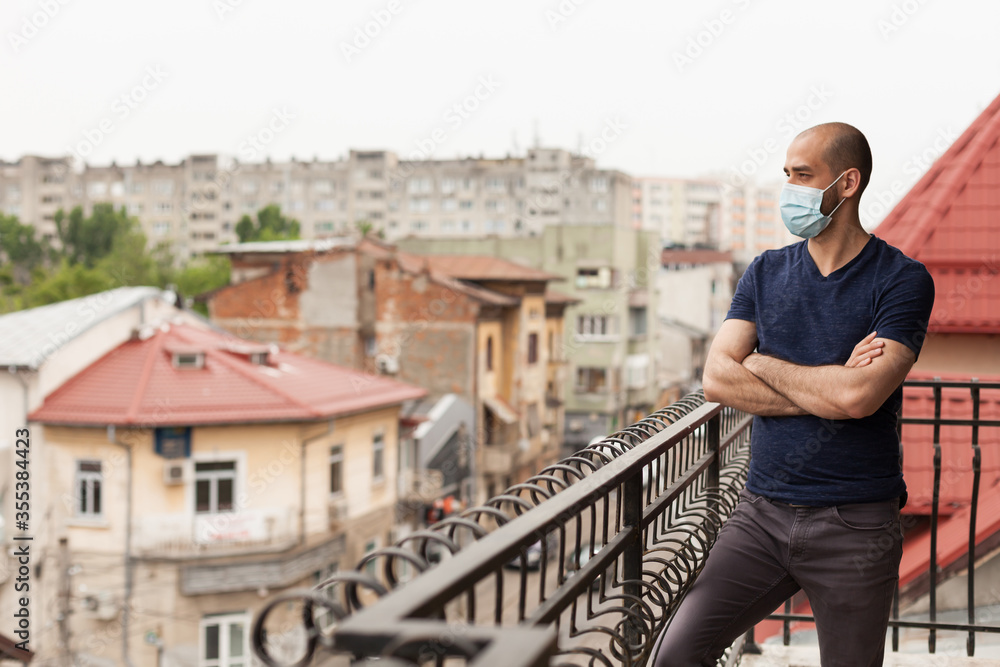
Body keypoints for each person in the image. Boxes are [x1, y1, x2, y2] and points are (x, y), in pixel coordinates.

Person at [651, 122, 935, 667]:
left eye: (803, 176)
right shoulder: (764, 271)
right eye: (786, 174)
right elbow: (716, 379)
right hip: (759, 515)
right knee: (676, 655)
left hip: (855, 524)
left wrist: (758, 363)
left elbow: (859, 400)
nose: (790, 188)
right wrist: (829, 384)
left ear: (847, 183)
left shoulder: (902, 280)